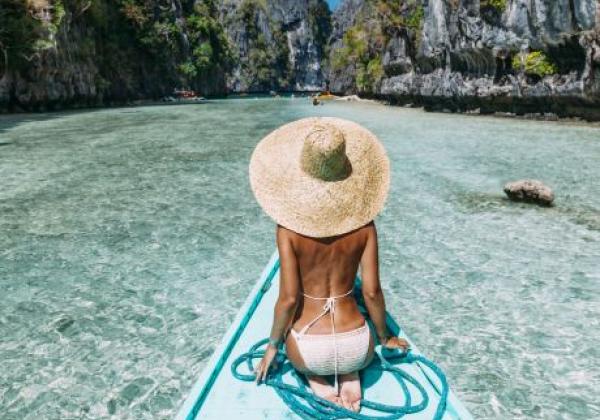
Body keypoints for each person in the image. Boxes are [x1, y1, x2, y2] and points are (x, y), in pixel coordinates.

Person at [248, 117, 409, 413]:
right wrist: (385, 338)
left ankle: (319, 382)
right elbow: (372, 292)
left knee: (306, 353)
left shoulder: (289, 231)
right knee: (350, 353)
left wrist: (272, 347)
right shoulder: (365, 227)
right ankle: (350, 375)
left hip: (309, 349)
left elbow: (289, 299)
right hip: (359, 346)